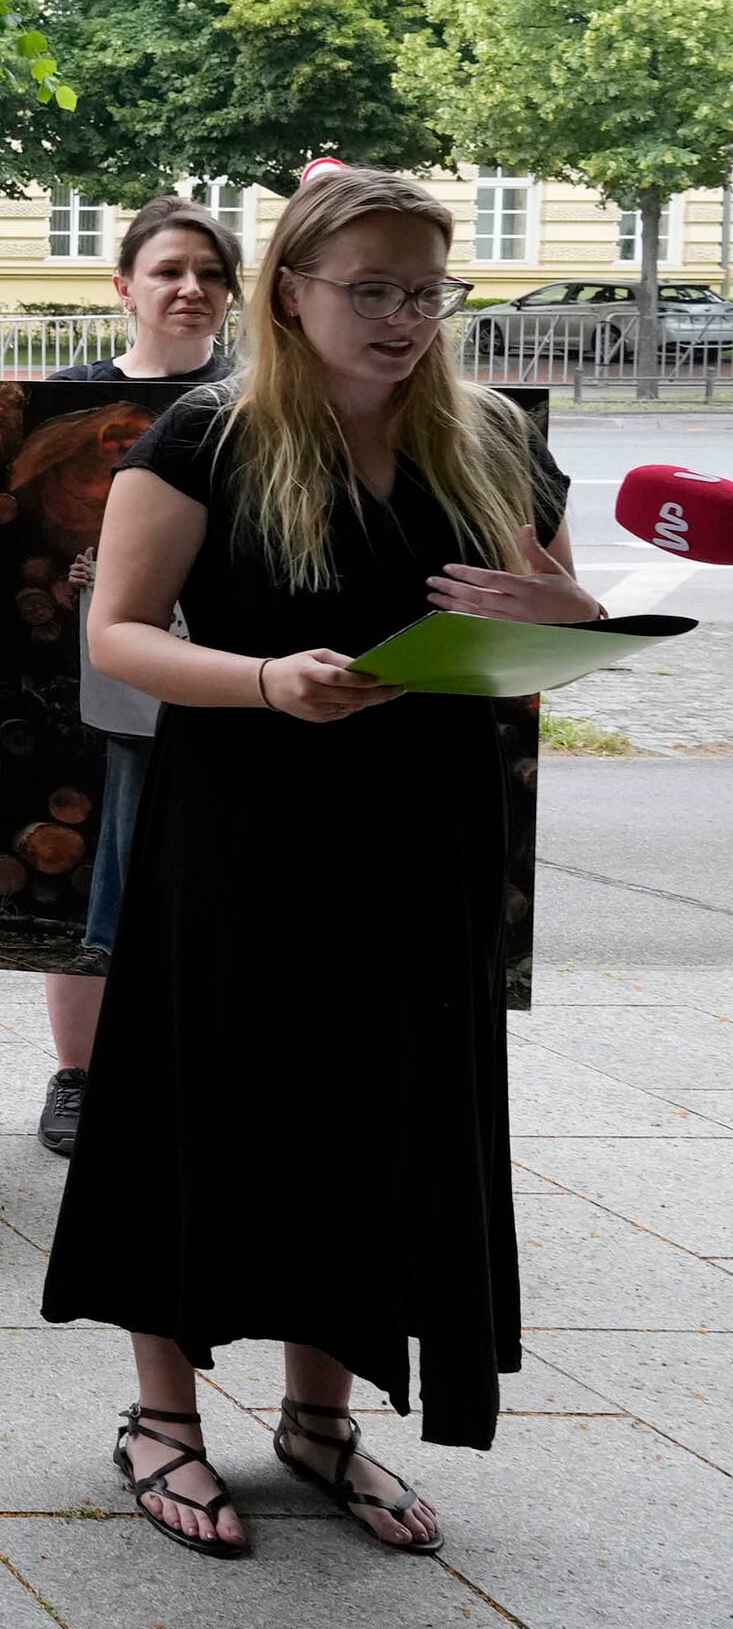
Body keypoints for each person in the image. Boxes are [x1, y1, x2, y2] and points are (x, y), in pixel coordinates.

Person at [46, 165, 592, 1562]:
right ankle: (163, 1420)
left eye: (427, 292)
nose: (404, 318)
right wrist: (265, 681)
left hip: (423, 829)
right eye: (373, 290)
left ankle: (319, 1420)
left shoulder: (490, 439)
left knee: (373, 1107)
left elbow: (561, 620)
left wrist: (564, 610)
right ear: (292, 290)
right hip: (240, 816)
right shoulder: (206, 434)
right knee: (202, 1097)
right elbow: (119, 635)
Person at [34, 196, 241, 1158]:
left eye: (210, 272)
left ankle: (200, 1074)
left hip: (228, 679)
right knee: (99, 884)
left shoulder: (262, 399)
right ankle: (79, 1075)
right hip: (105, 686)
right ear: (124, 287)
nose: (190, 288)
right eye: (168, 271)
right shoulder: (68, 402)